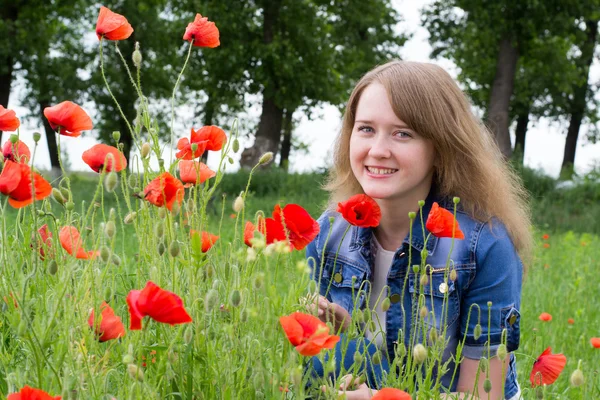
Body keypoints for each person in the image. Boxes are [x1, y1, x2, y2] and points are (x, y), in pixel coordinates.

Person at [304, 60, 532, 400]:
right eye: (366, 128)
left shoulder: (483, 246)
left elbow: (485, 395)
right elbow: (315, 374)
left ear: (440, 148)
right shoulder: (328, 234)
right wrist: (334, 331)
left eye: (402, 133)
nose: (378, 150)